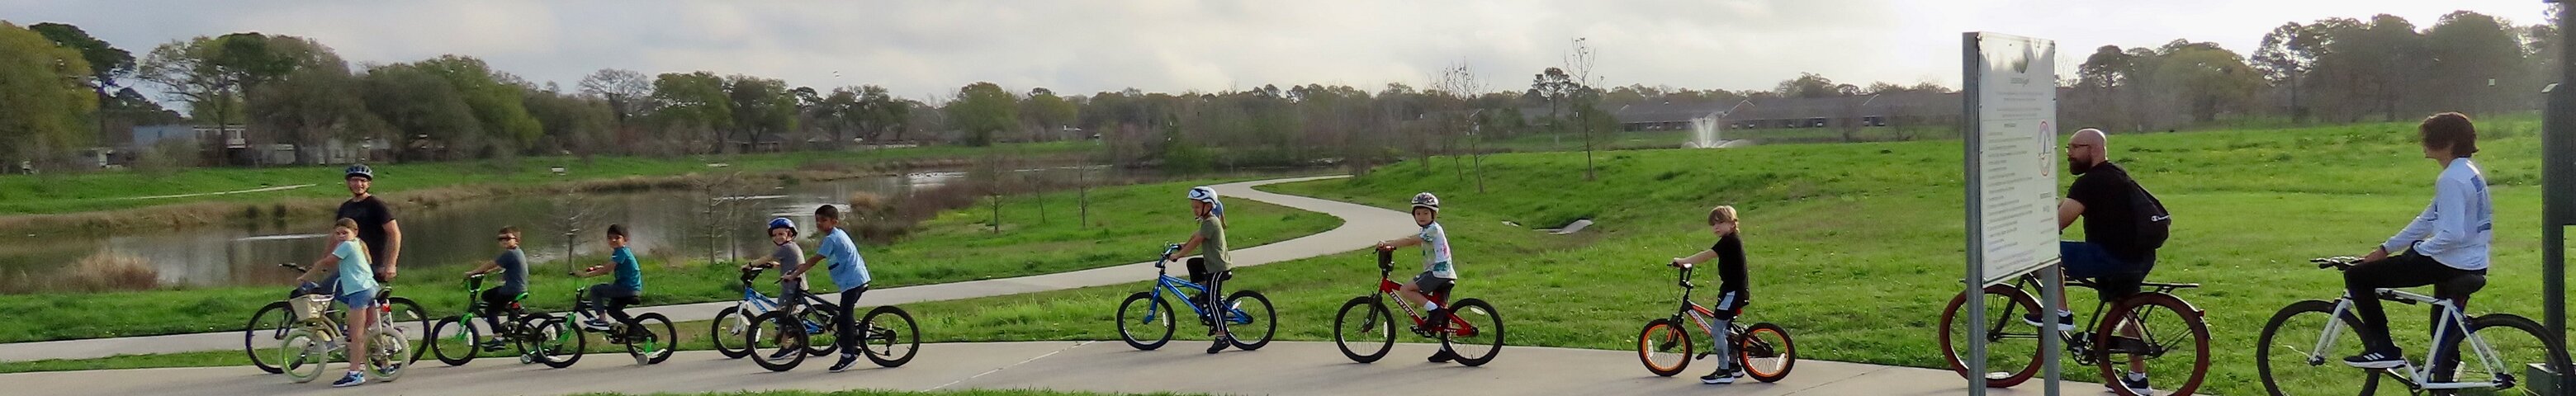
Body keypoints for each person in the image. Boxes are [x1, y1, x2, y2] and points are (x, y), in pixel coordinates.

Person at [2342, 112, 2493, 373]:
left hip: (2452, 262)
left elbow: (2452, 234)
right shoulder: (2467, 170)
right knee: (2442, 331)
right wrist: (2386, 249)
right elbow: (2427, 220)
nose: (2423, 143)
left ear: (2448, 142)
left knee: (2358, 277)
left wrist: (2419, 251)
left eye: (2429, 138)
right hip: (2472, 261)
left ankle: (2384, 350)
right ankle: (2443, 377)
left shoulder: (2451, 179)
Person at [2030, 128, 2171, 394]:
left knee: (2044, 251)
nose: (2069, 153)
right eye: (2068, 147)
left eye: (2075, 147)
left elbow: (2059, 222)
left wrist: (2031, 231)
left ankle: (2061, 314)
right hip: (2138, 258)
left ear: (2093, 149)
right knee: (2124, 311)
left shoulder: (2090, 183)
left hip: (2111, 257)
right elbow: (2067, 206)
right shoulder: (2115, 174)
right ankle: (2138, 379)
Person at [1375, 192, 1460, 363]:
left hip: (1437, 272)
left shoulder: (1433, 229)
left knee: (1406, 289)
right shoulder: (1427, 230)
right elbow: (1417, 241)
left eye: (1426, 213)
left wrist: (1389, 243)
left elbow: (1411, 241)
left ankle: (1433, 311)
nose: (1421, 216)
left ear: (1434, 215)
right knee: (1443, 311)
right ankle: (1447, 348)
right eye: (1418, 213)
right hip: (1444, 273)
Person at [1668, 205, 1749, 384]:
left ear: (1732, 224)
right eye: (1713, 224)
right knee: (1726, 329)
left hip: (1733, 292)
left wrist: (1682, 261)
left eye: (1720, 223)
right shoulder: (1731, 240)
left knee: (1717, 330)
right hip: (1732, 290)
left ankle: (1724, 372)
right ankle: (1734, 366)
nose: (1716, 227)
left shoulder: (1729, 241)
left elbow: (1706, 256)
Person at [294, 219, 379, 387]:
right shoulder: (357, 244)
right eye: (337, 233)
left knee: (356, 336)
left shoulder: (347, 246)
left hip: (359, 292)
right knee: (366, 331)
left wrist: (306, 277)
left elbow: (327, 262)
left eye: (344, 233)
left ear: (355, 232)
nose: (340, 236)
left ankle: (355, 373)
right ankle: (382, 364)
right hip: (371, 288)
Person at [787, 205, 873, 372]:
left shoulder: (831, 239)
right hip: (856, 278)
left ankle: (848, 355)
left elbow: (814, 260)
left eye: (823, 220)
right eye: (817, 220)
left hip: (852, 281)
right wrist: (796, 270)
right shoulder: (839, 234)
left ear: (834, 222)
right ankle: (856, 338)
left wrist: (794, 274)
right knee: (843, 315)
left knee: (845, 316)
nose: (819, 223)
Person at [1163, 186, 1234, 355]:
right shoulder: (1207, 222)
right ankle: (1205, 293)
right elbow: (1195, 237)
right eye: (1193, 207)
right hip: (1212, 264)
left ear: (1208, 206)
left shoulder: (1211, 222)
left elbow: (1197, 242)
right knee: (1194, 264)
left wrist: (1178, 255)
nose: (1194, 210)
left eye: (1197, 207)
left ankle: (1222, 337)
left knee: (1212, 302)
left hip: (1218, 268)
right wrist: (1180, 245)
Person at [571, 225, 643, 342]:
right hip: (630, 288)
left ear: (625, 239)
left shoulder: (621, 252)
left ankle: (602, 320)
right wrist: (598, 268)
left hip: (626, 288)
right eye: (610, 238)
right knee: (612, 310)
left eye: (617, 238)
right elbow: (612, 266)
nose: (613, 240)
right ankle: (637, 330)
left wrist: (585, 275)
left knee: (596, 290)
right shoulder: (622, 252)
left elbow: (608, 270)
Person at [462, 226, 528, 351]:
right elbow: (499, 266)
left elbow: (492, 263)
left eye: (507, 238)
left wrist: (473, 273)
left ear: (516, 240)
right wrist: (488, 271)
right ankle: (512, 310)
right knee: (487, 295)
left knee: (490, 311)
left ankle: (498, 339)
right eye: (500, 239)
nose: (503, 241)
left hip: (511, 290)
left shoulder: (509, 254)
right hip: (518, 288)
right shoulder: (517, 252)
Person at [335, 164, 403, 284]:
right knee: (329, 289)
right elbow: (335, 236)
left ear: (369, 184)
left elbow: (394, 234)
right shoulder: (345, 207)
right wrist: (324, 261)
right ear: (348, 183)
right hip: (351, 262)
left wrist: (391, 264)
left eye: (363, 181)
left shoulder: (376, 205)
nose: (359, 184)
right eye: (354, 180)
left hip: (373, 263)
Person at [751, 217, 807, 361]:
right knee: (789, 315)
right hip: (795, 286)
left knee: (783, 317)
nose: (777, 237)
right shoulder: (792, 247)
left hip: (792, 288)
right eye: (774, 235)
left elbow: (767, 257)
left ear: (790, 234)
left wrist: (750, 265)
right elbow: (788, 263)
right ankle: (798, 341)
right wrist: (773, 265)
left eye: (781, 234)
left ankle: (787, 347)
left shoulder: (786, 248)